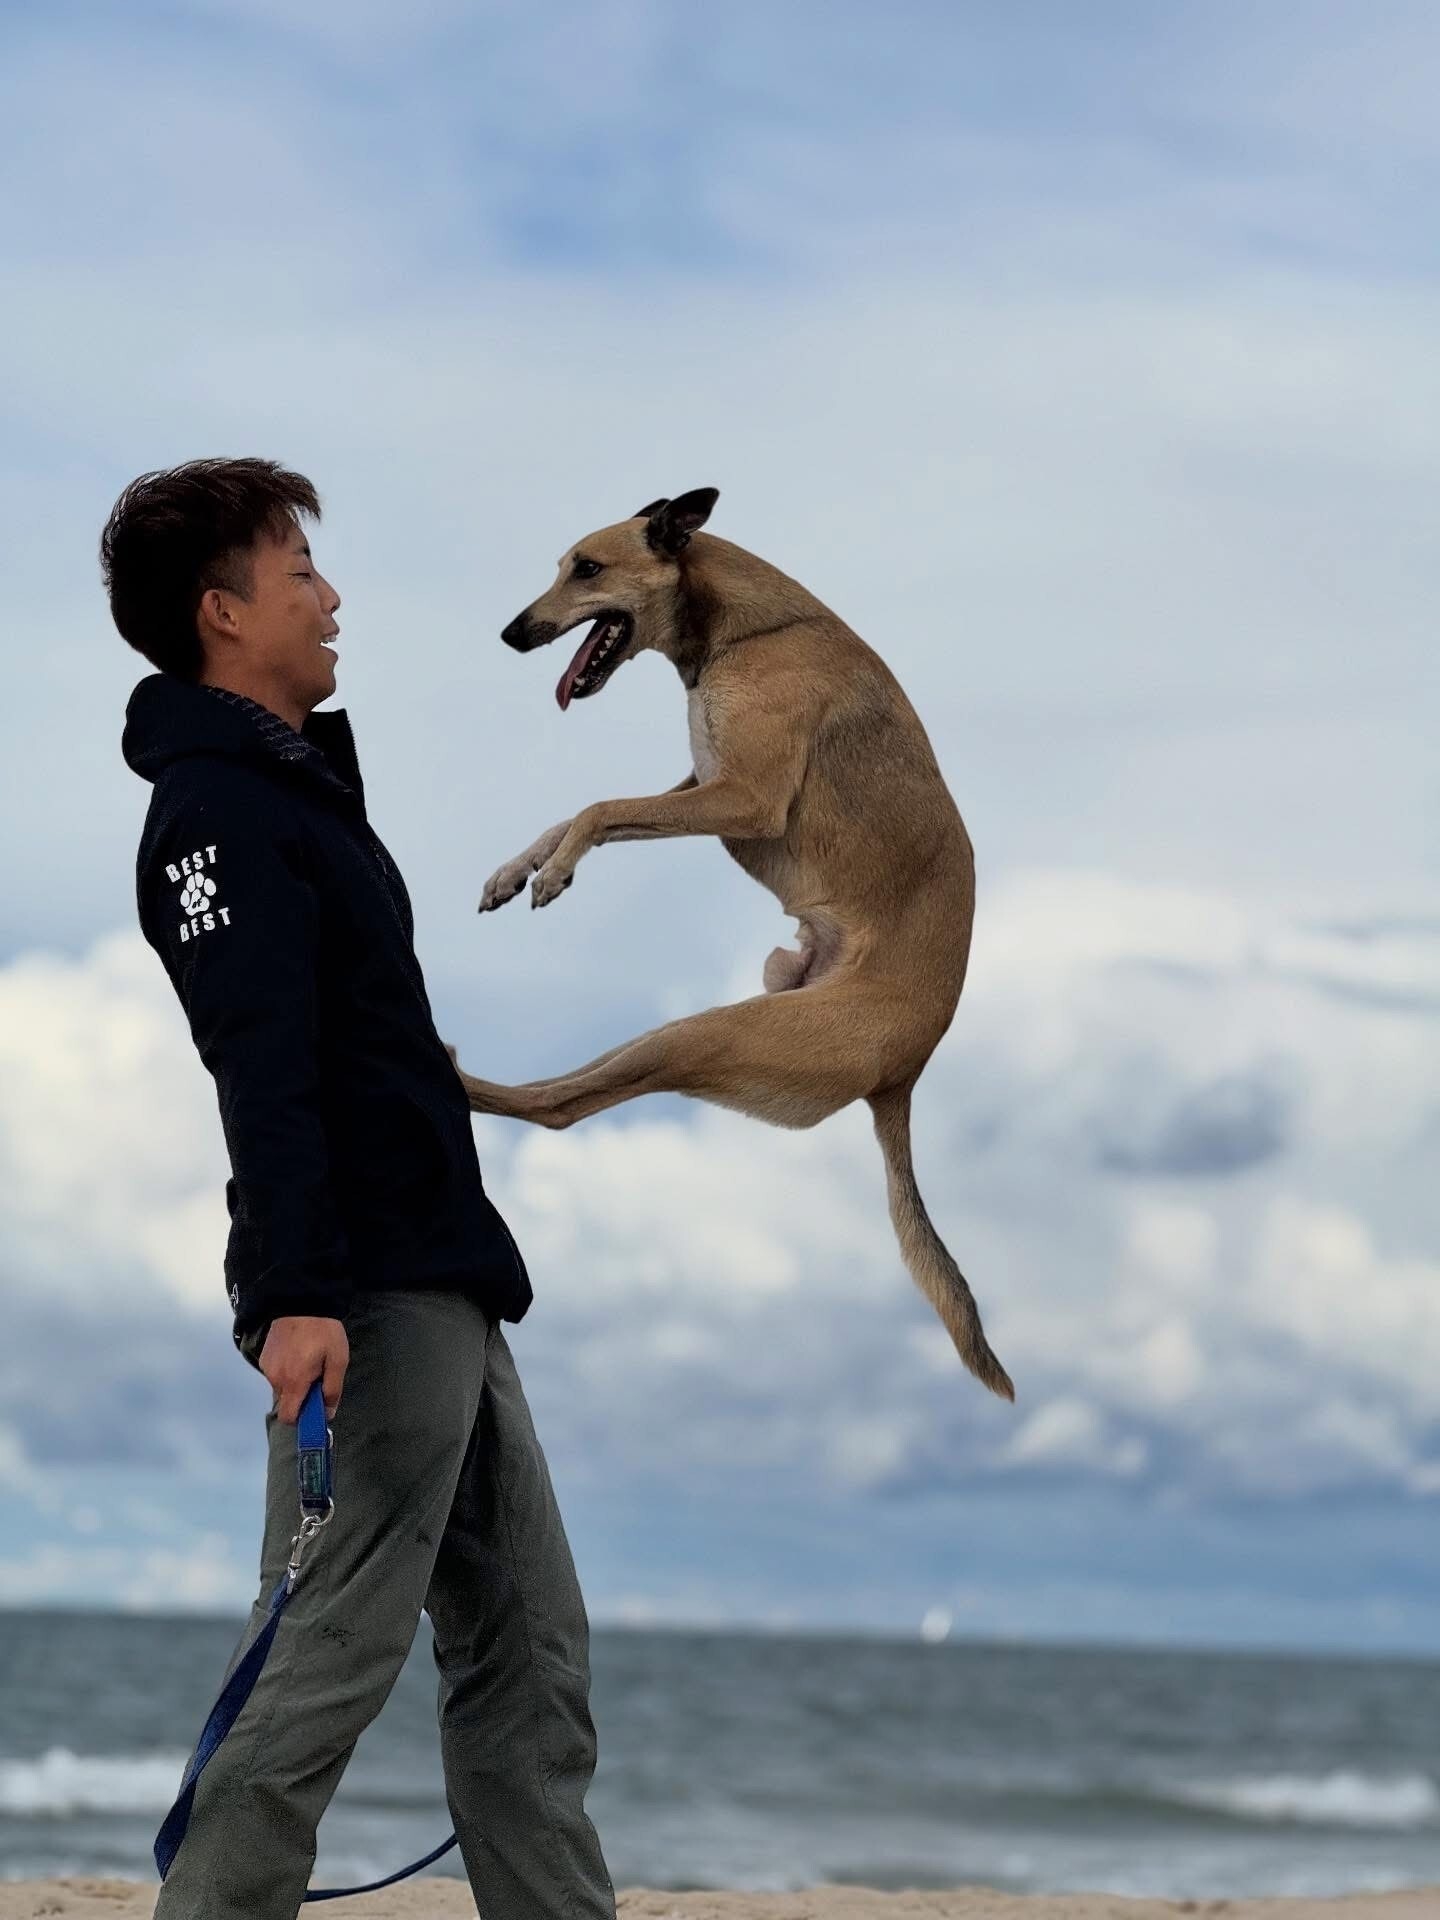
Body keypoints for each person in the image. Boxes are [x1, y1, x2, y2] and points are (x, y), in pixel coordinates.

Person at [104, 457, 615, 1920]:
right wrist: (295, 1297)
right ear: (221, 614)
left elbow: (339, 1037)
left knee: (533, 1664)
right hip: (363, 1294)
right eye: (298, 576)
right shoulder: (217, 816)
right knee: (318, 1672)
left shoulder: (296, 797)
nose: (331, 601)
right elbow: (262, 1064)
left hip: (443, 1276)